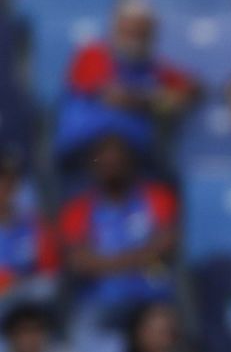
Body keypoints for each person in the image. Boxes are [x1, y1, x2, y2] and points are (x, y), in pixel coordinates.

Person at [55, 0, 197, 161]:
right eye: (129, 29)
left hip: (134, 156)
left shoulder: (153, 66)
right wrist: (158, 100)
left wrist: (164, 99)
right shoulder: (93, 54)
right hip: (84, 153)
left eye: (143, 32)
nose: (135, 37)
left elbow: (192, 87)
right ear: (115, 27)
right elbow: (114, 95)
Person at [56, 133, 178, 323]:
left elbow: (165, 245)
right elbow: (78, 261)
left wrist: (105, 261)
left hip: (151, 295)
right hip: (100, 301)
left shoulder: (156, 197)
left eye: (118, 162)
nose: (112, 168)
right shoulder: (78, 209)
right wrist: (139, 258)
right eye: (105, 163)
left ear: (129, 163)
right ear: (93, 166)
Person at [0, 157, 58, 298]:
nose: (5, 190)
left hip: (28, 301)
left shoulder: (35, 225)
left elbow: (50, 275)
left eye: (9, 183)